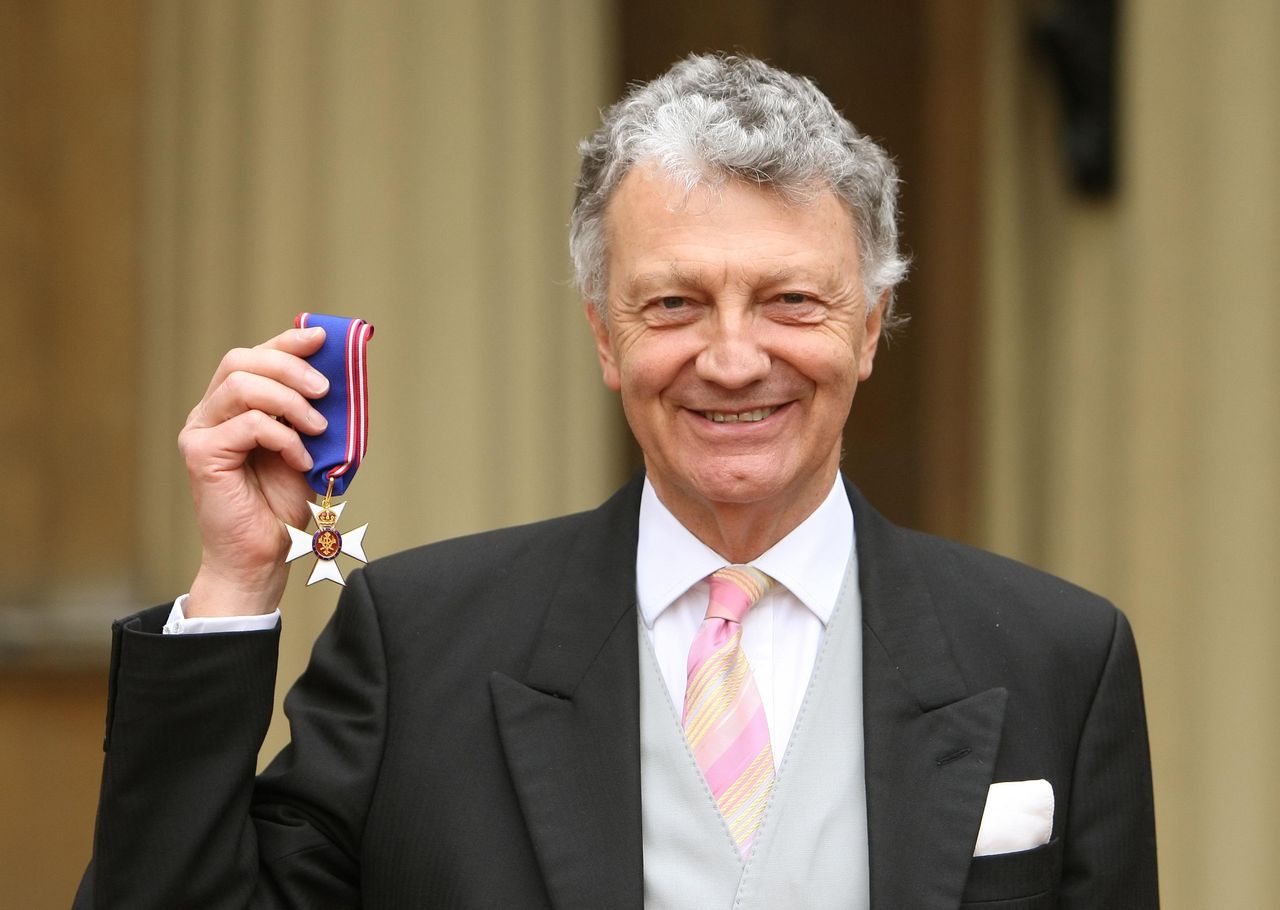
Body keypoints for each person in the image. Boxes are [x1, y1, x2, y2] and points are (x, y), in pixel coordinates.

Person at [76, 54, 1157, 909]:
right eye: (674, 305)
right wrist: (231, 581)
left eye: (789, 301)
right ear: (603, 336)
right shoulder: (415, 647)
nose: (732, 359)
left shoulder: (1058, 657)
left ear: (868, 327)